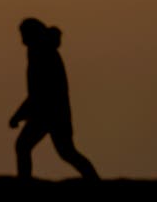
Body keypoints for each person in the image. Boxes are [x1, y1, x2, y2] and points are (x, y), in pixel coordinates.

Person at [9, 17, 100, 179]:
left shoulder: (43, 53)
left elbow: (40, 92)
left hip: (51, 113)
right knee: (64, 152)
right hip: (50, 112)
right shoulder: (37, 51)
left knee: (60, 151)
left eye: (24, 33)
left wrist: (19, 115)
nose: (21, 37)